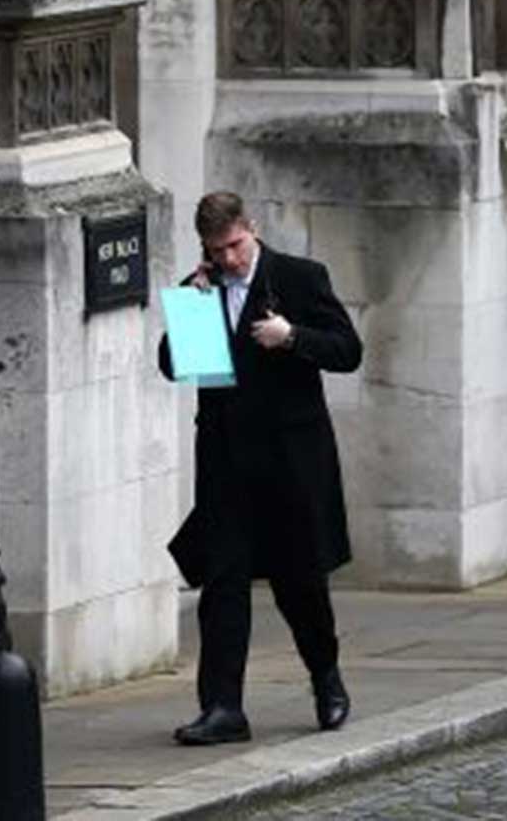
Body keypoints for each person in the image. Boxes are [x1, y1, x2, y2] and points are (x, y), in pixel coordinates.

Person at [158, 191, 363, 745]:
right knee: (223, 587)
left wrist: (292, 337)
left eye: (234, 245)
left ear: (252, 229)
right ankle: (223, 707)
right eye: (216, 250)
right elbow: (173, 366)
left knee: (301, 584)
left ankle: (327, 679)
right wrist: (194, 309)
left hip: (291, 463)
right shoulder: (202, 290)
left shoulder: (299, 278)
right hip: (227, 466)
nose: (228, 259)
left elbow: (348, 349)